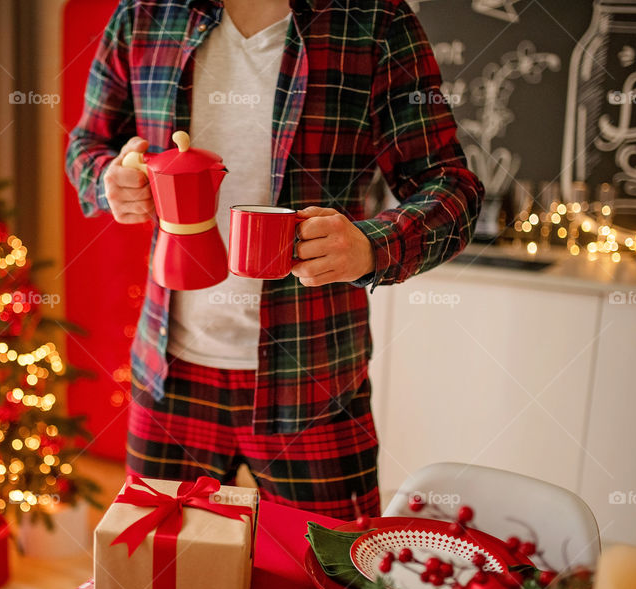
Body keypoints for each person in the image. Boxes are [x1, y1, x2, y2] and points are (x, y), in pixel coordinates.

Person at [66, 0, 483, 518]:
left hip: (314, 380)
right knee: (162, 582)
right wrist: (107, 180)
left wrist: (371, 245)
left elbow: (452, 186)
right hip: (169, 376)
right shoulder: (144, 14)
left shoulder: (376, 19)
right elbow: (87, 144)